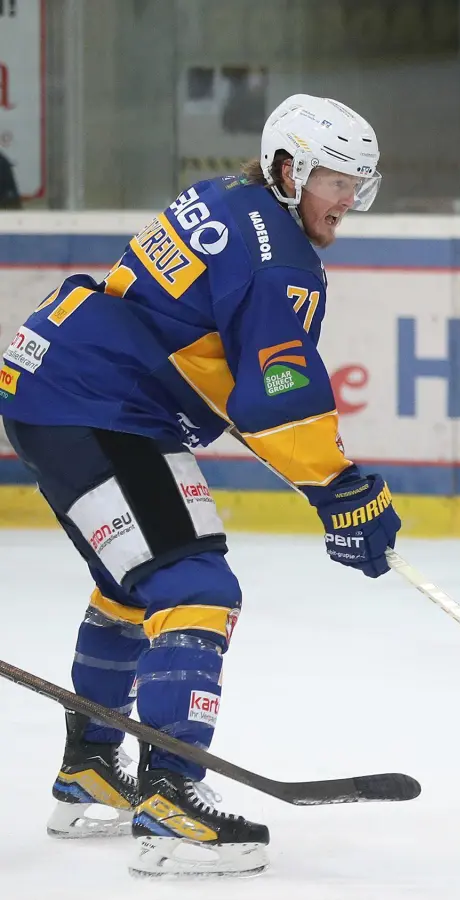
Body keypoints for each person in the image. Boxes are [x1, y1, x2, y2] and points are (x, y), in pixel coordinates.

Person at [0, 94, 402, 878]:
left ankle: (89, 769)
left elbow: (229, 375)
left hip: (59, 381)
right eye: (335, 180)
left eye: (360, 182)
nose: (349, 198)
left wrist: (329, 485)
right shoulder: (280, 255)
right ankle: (172, 800)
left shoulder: (234, 197)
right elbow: (273, 395)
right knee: (195, 584)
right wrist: (341, 489)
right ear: (289, 168)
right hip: (101, 403)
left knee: (138, 582)